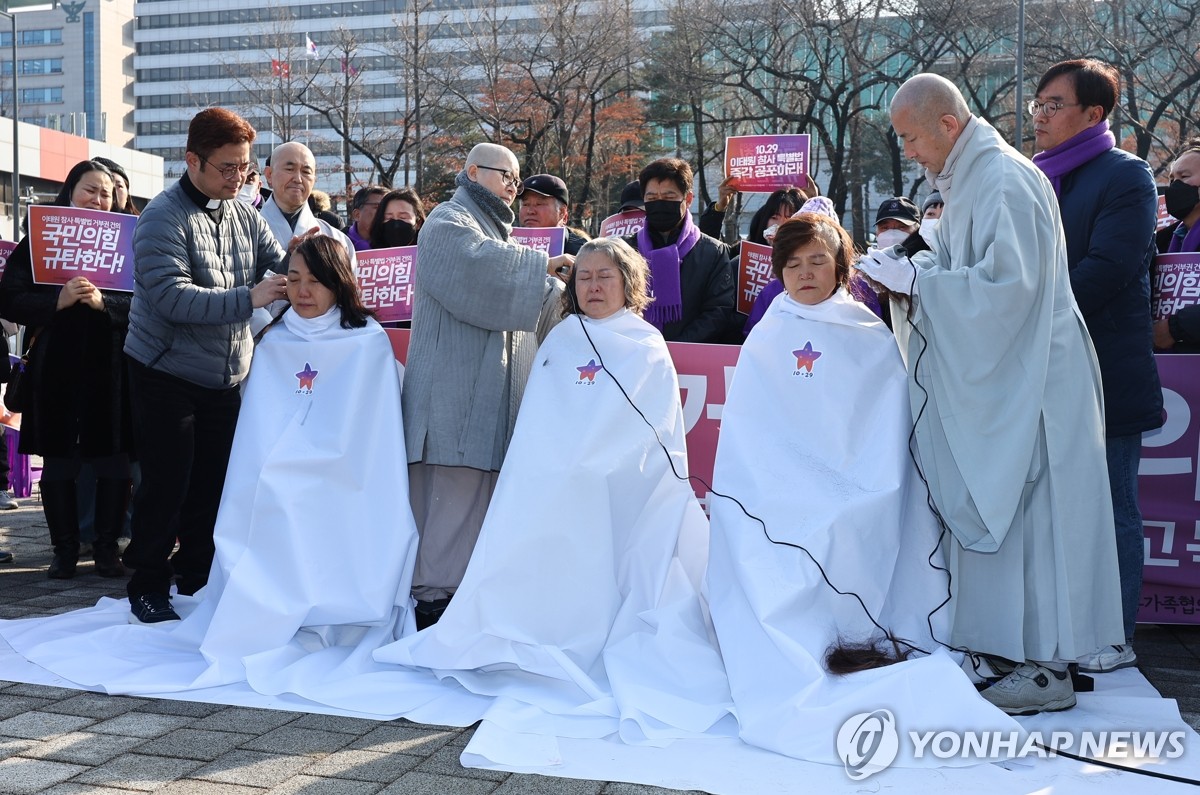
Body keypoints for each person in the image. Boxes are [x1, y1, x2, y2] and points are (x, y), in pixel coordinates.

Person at [1, 235, 419, 696]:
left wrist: (315, 461)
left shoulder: (366, 342)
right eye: (294, 280)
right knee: (270, 494)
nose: (302, 292)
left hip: (345, 472)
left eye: (315, 282)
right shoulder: (276, 338)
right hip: (278, 467)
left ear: (340, 284)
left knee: (305, 496)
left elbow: (371, 431)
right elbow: (260, 424)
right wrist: (281, 463)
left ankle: (332, 606)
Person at [377, 237, 732, 745]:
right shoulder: (562, 338)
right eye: (583, 276)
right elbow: (539, 421)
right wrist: (551, 467)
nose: (592, 285)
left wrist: (587, 468)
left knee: (581, 502)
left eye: (604, 276)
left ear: (628, 283)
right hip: (548, 474)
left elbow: (652, 434)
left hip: (620, 482)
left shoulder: (644, 344)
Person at [858, 73, 1123, 715]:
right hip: (1011, 375)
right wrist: (909, 270)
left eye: (912, 137)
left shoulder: (1002, 178)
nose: (910, 152)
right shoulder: (973, 178)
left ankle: (1046, 665)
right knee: (1011, 518)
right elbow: (960, 267)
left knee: (1034, 523)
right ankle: (1015, 652)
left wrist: (920, 286)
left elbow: (1010, 289)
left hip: (1031, 384)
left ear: (948, 124)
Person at [708, 212, 1014, 765]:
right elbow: (750, 435)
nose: (805, 273)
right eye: (793, 263)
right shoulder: (768, 333)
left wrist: (845, 482)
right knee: (763, 534)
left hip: (857, 483)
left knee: (844, 525)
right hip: (774, 489)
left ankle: (855, 635)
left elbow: (886, 427)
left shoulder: (867, 334)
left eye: (818, 261)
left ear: (841, 267)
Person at [122, 107, 289, 625]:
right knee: (167, 484)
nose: (238, 178)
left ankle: (197, 575)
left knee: (215, 483)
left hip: (225, 374)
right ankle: (147, 583)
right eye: (227, 168)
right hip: (164, 371)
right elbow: (173, 298)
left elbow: (278, 261)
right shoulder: (161, 216)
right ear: (192, 160)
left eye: (245, 168)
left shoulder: (242, 211)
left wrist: (311, 263)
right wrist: (250, 297)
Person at [403, 142, 573, 628]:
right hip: (451, 403)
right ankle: (433, 606)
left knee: (476, 509)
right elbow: (479, 271)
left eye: (518, 182)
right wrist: (541, 267)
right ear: (473, 171)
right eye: (508, 177)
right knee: (448, 509)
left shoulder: (500, 239)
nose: (515, 189)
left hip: (492, 399)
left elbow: (529, 295)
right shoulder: (446, 222)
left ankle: (460, 605)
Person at [1030, 58, 1163, 674]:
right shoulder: (1031, 179)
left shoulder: (1126, 177)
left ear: (1094, 114)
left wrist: (1026, 317)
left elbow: (1107, 270)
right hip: (1040, 372)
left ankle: (1115, 635)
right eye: (1037, 103)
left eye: (1054, 104)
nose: (1040, 114)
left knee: (1113, 508)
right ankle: (1057, 625)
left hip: (1105, 372)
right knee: (1049, 511)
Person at [0, 160, 131, 580]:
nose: (98, 199)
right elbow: (9, 298)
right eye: (89, 189)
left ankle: (107, 548)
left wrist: (105, 306)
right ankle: (64, 550)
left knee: (113, 461)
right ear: (70, 192)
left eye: (106, 192)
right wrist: (54, 303)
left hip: (111, 368)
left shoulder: (129, 242)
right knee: (59, 464)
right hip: (55, 368)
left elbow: (148, 302)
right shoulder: (38, 241)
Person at [623, 157, 733, 343]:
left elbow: (718, 310)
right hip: (635, 352)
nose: (659, 203)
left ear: (688, 199)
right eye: (652, 198)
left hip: (691, 360)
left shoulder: (713, 252)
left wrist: (677, 347)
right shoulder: (625, 250)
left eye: (668, 197)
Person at [255, 142, 356, 333]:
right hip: (260, 343)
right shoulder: (244, 232)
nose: (298, 178)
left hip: (322, 342)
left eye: (306, 171)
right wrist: (267, 330)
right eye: (289, 168)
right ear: (268, 174)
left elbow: (348, 298)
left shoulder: (335, 239)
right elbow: (238, 295)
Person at [1154, 139, 1200, 352]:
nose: (1175, 186)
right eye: (1172, 179)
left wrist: (1175, 328)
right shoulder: (1159, 241)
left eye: (1184, 177)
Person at [518, 174, 589, 255]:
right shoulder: (508, 246)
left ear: (561, 211)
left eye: (539, 204)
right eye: (525, 204)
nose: (530, 211)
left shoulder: (582, 252)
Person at [346, 185, 386, 250]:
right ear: (357, 215)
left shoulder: (396, 243)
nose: (385, 213)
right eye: (379, 208)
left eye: (387, 208)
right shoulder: (337, 244)